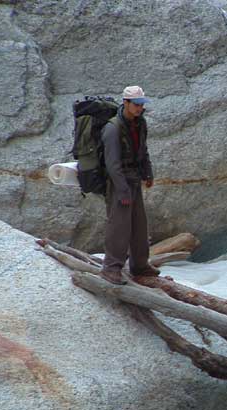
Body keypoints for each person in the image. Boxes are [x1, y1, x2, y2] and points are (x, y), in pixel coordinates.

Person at [99, 85, 159, 285]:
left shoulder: (139, 124)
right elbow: (112, 164)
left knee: (139, 225)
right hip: (119, 183)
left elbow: (144, 150)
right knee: (119, 226)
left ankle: (140, 264)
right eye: (136, 104)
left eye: (142, 104)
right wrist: (122, 189)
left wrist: (147, 172)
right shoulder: (112, 128)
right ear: (125, 103)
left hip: (134, 179)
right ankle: (111, 267)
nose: (140, 108)